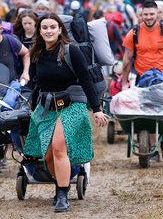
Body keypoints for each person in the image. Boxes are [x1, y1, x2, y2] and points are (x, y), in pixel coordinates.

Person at [24, 13, 108, 213]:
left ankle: (62, 194)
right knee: (47, 154)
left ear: (60, 29)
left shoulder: (72, 51)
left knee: (58, 145)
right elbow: (36, 84)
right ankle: (62, 183)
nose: (48, 31)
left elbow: (86, 80)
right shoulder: (35, 53)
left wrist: (96, 109)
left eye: (53, 27)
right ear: (39, 31)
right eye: (44, 27)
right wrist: (32, 108)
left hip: (73, 103)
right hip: (47, 106)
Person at [120, 0, 163, 161]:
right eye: (145, 14)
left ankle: (161, 143)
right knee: (146, 113)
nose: (148, 17)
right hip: (142, 80)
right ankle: (152, 148)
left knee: (160, 115)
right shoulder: (133, 33)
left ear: (158, 15)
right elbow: (126, 60)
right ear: (141, 15)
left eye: (152, 14)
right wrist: (124, 82)